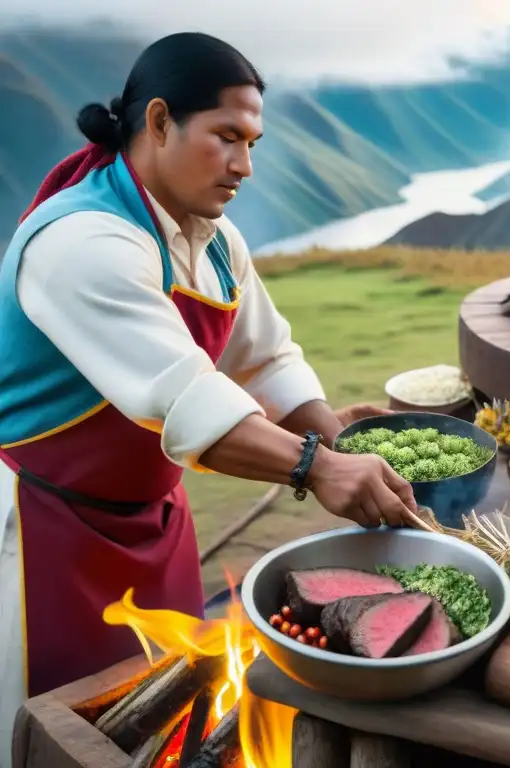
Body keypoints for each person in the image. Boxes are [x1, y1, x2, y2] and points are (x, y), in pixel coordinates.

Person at [0, 32, 418, 752]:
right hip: (43, 533)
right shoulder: (82, 244)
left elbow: (266, 358)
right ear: (159, 122)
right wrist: (319, 467)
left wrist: (336, 436)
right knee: (60, 735)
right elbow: (190, 400)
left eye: (252, 142)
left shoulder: (213, 240)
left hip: (151, 521)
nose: (245, 166)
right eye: (227, 138)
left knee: (164, 711)